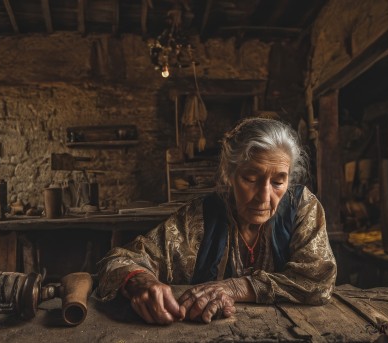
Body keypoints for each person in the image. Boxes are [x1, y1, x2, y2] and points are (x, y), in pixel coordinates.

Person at [96, 117, 337, 325]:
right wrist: (141, 282)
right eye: (250, 178)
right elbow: (119, 260)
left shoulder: (301, 207)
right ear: (229, 174)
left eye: (278, 182)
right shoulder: (200, 217)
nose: (264, 197)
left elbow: (318, 280)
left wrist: (236, 287)